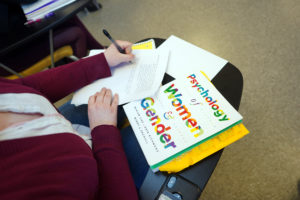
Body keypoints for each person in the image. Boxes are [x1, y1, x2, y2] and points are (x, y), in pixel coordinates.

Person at [0, 40, 147, 200]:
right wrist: (104, 131)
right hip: (103, 181)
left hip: (69, 131)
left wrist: (102, 61)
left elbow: (24, 87)